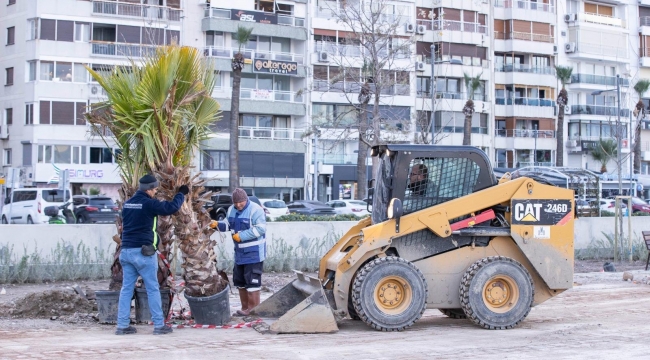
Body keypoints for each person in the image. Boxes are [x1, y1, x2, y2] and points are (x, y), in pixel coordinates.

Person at [115, 174, 189, 335]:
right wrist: (181, 194)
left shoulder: (127, 204)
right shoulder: (149, 204)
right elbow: (171, 208)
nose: (155, 192)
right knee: (152, 288)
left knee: (126, 289)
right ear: (149, 190)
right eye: (155, 189)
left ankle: (122, 326)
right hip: (143, 252)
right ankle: (159, 325)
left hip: (126, 252)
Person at [211, 188, 266, 316]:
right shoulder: (231, 210)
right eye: (236, 202)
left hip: (254, 254)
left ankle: (253, 310)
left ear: (246, 199)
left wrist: (242, 236)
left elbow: (261, 229)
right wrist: (216, 224)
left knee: (252, 283)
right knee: (240, 282)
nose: (238, 205)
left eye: (241, 202)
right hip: (240, 254)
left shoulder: (255, 209)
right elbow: (227, 225)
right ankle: (245, 308)